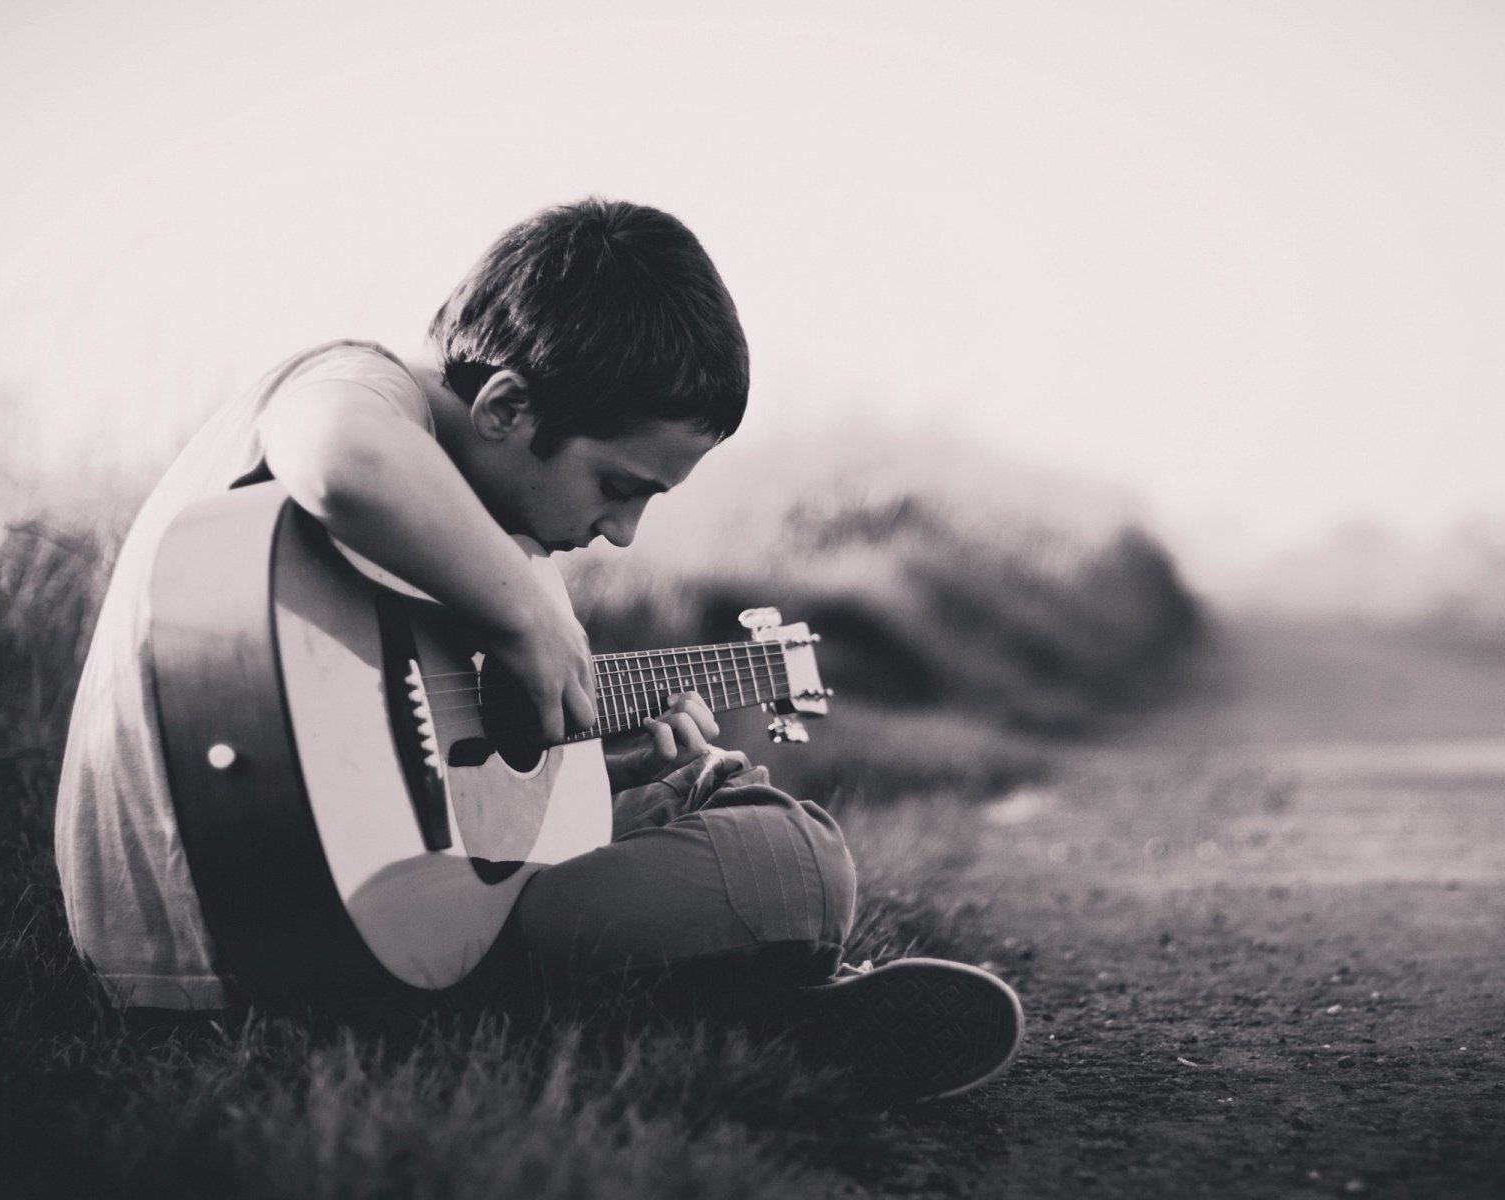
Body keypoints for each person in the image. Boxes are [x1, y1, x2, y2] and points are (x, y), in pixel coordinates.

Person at [54, 198, 1022, 1104]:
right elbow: (340, 457)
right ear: (507, 407)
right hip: (264, 942)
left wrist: (594, 766)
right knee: (798, 857)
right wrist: (528, 615)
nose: (624, 532)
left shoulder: (455, 521)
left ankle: (715, 1001)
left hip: (305, 922)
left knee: (691, 787)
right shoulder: (357, 385)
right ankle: (736, 999)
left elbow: (404, 763)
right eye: (619, 483)